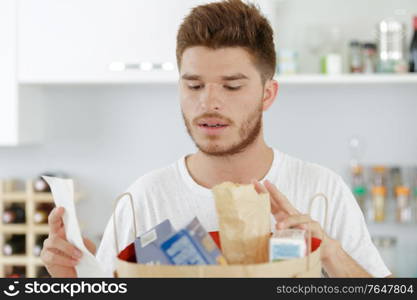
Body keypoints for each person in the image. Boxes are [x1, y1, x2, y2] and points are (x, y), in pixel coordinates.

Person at [41, 0, 391, 278]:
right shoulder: (142, 200)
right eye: (193, 86)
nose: (208, 103)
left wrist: (329, 252)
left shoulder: (321, 192)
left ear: (267, 94)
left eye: (232, 86)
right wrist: (72, 280)